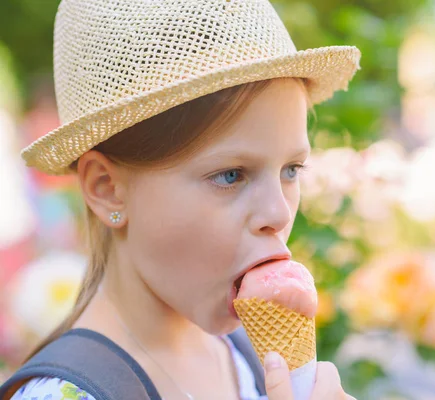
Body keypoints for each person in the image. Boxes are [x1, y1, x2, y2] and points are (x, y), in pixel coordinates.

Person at [0, 0, 361, 399]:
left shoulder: (245, 354)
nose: (278, 213)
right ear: (106, 187)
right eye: (230, 175)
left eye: (291, 170)